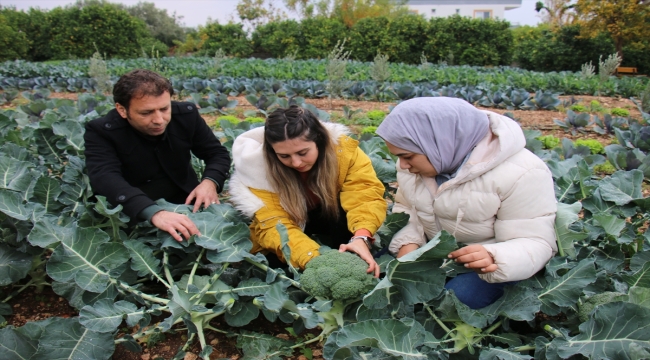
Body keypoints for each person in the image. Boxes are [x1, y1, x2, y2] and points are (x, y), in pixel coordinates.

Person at [376, 97, 557, 309]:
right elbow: (407, 210)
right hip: (432, 253)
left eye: (408, 156)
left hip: (488, 268)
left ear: (438, 142)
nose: (403, 165)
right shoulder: (415, 166)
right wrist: (408, 244)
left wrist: (493, 256)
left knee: (454, 301)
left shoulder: (523, 172)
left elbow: (536, 242)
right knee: (371, 267)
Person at [228, 105, 387, 276]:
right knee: (273, 262)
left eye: (303, 152)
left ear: (319, 140)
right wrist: (314, 259)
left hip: (331, 215)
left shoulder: (343, 153)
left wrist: (361, 237)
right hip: (289, 222)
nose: (296, 162)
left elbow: (364, 195)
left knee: (347, 221)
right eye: (284, 156)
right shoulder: (259, 169)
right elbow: (275, 225)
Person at [84, 69, 231, 241]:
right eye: (146, 113)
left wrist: (210, 182)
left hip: (185, 201)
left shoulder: (186, 116)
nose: (159, 120)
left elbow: (216, 153)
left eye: (164, 108)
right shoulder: (102, 131)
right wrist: (153, 212)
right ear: (122, 110)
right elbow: (105, 177)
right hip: (133, 210)